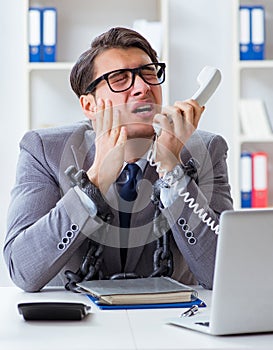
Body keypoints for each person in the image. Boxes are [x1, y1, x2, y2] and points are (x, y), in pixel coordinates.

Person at [3, 27, 233, 293]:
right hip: (74, 327)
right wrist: (95, 180)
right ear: (90, 106)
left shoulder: (208, 149)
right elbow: (22, 270)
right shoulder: (43, 150)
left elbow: (224, 275)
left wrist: (172, 171)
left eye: (149, 73)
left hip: (171, 324)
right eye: (120, 79)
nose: (143, 87)